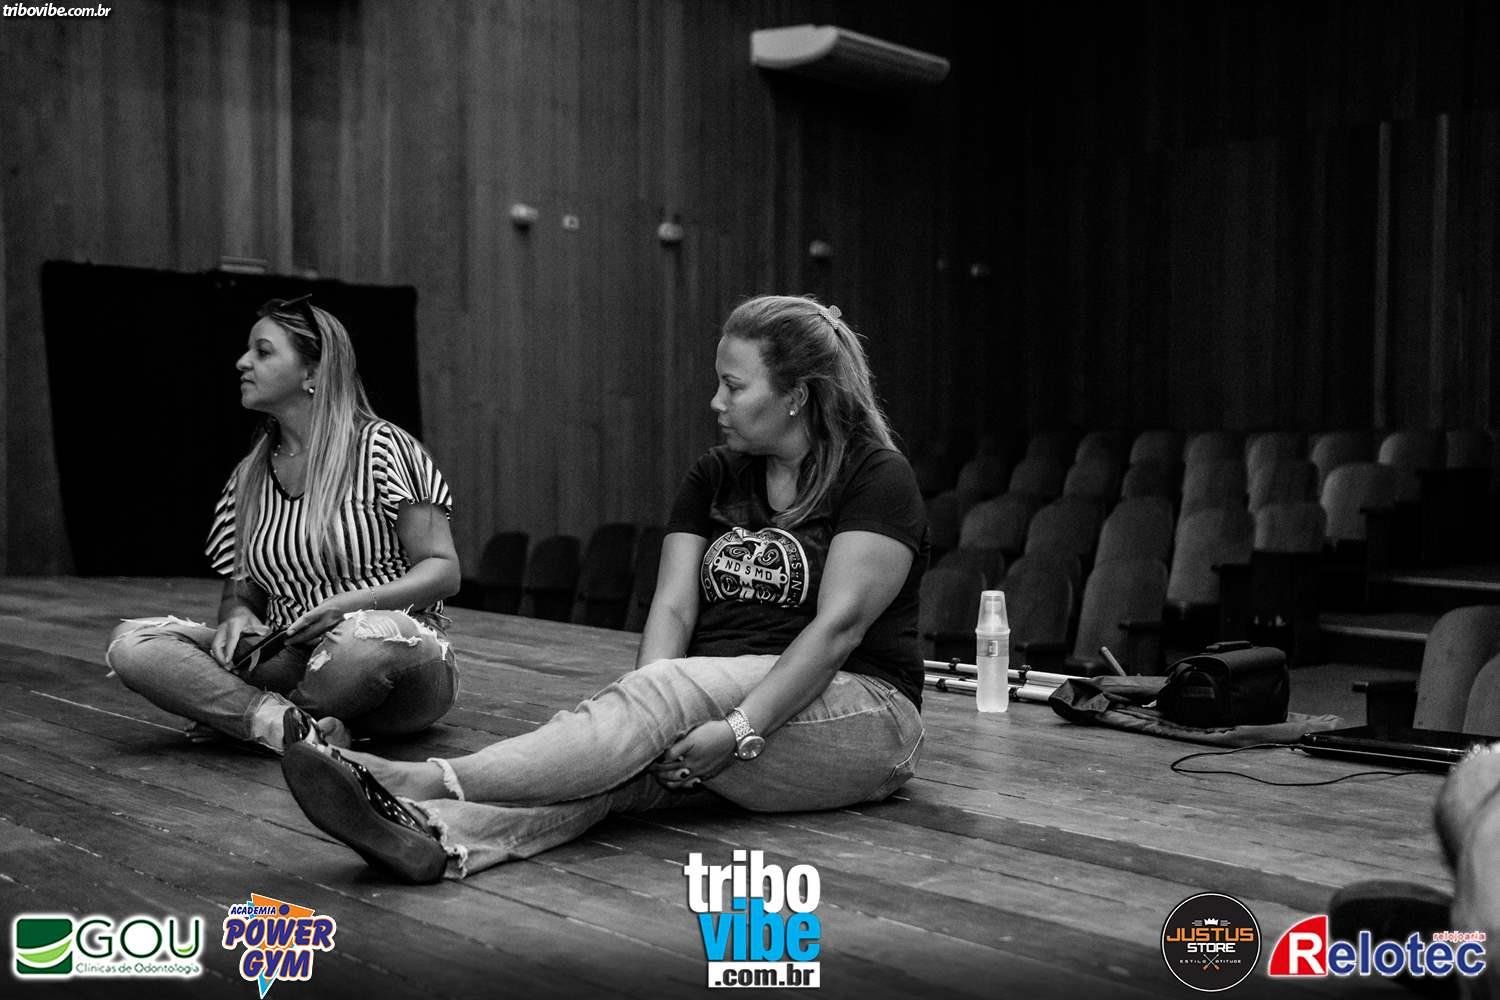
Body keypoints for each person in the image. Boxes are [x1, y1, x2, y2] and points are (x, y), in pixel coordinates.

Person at [279, 293, 929, 882]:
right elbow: (672, 606)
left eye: (733, 386)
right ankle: (437, 837)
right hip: (719, 702)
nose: (716, 402)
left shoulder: (876, 477)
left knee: (655, 706)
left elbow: (837, 630)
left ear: (797, 396)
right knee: (616, 770)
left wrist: (735, 729)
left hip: (862, 716)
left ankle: (420, 782)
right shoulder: (715, 476)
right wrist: (655, 722)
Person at [106, 294, 461, 754]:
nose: (242, 362)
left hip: (397, 660)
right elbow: (242, 591)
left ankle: (244, 719)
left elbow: (443, 570)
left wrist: (350, 605)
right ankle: (289, 727)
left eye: (262, 352)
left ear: (312, 373)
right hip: (292, 658)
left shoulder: (382, 446)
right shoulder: (250, 474)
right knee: (133, 644)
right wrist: (237, 615)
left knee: (361, 641)